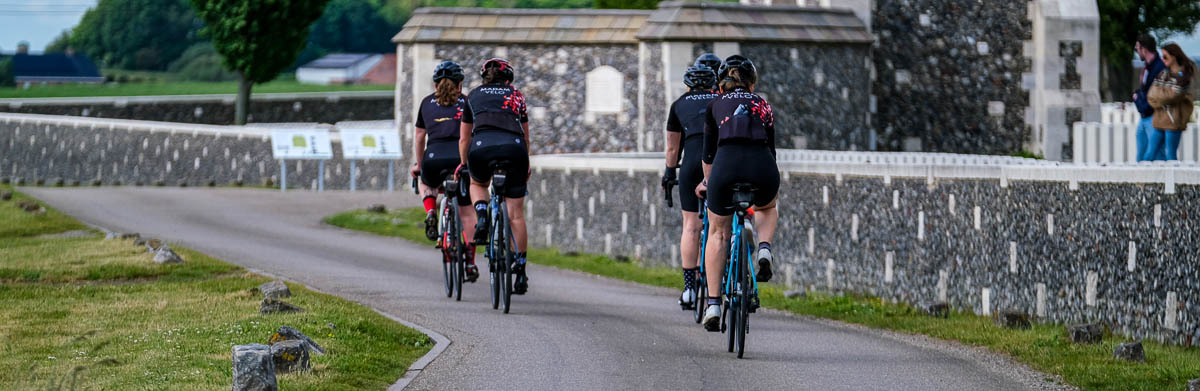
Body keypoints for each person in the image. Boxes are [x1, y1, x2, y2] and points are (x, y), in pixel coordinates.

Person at [694, 55, 779, 331]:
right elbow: (772, 152)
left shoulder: (715, 104)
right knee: (767, 206)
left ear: (721, 84)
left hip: (725, 167)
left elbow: (708, 156)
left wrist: (710, 183)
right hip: (762, 167)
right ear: (751, 84)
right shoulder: (763, 104)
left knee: (718, 232)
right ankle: (764, 248)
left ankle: (715, 304)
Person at [459, 58, 532, 294]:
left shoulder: (473, 96)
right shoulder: (516, 96)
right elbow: (526, 135)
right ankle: (520, 270)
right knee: (515, 215)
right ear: (508, 79)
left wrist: (464, 163)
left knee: (477, 182)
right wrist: (526, 163)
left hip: (482, 147)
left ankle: (482, 215)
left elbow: (464, 138)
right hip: (514, 148)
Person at [411, 61, 480, 282]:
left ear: (435, 84)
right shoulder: (469, 102)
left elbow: (420, 137)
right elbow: (473, 135)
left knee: (426, 183)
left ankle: (431, 211)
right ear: (460, 84)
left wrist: (419, 165)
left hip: (434, 157)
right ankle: (470, 262)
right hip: (460, 160)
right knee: (467, 212)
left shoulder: (426, 103)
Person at [663, 56, 720, 310]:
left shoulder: (678, 105)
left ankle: (688, 289)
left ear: (687, 85)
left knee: (690, 226)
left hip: (689, 164)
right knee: (718, 228)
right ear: (712, 84)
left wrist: (668, 174)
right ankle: (719, 282)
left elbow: (672, 149)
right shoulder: (719, 101)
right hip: (717, 162)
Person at [1146, 43, 1196, 161]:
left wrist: (1160, 94)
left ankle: (1172, 179)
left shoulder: (1183, 75)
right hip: (1159, 120)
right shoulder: (1163, 74)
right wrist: (1166, 93)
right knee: (1149, 155)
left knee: (1170, 154)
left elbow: (1175, 95)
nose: (1162, 60)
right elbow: (1151, 95)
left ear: (1174, 56)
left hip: (1173, 121)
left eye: (1165, 57)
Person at [1134, 34, 1168, 161]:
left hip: (1155, 116)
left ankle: (1163, 181)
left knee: (1158, 156)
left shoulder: (1160, 68)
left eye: (1137, 48)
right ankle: (1141, 181)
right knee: (1141, 157)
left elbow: (1156, 95)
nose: (1137, 52)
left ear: (1144, 49)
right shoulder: (1147, 68)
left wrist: (1138, 99)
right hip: (1144, 117)